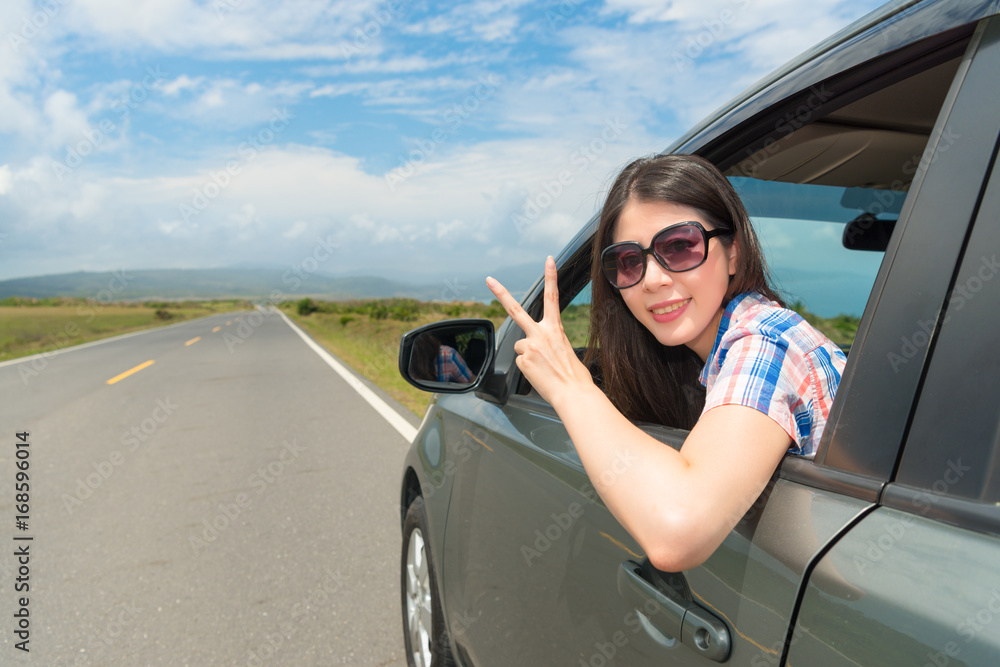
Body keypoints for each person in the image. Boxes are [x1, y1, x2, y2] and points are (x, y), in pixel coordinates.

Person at [486, 154, 847, 572]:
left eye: (679, 247)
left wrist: (571, 387)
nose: (653, 279)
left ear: (734, 254)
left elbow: (677, 532)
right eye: (629, 262)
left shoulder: (766, 341)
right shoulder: (725, 348)